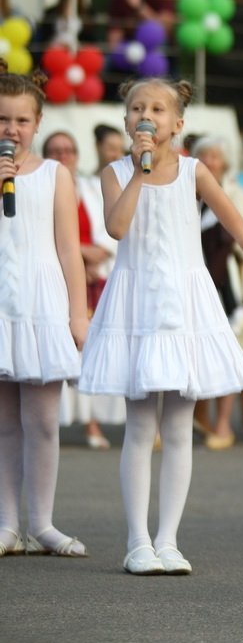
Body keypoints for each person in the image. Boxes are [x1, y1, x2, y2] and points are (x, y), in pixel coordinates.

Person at [79, 77, 243, 575]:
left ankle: (168, 539)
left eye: (156, 109)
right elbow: (117, 227)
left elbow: (239, 228)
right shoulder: (114, 172)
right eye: (136, 108)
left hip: (185, 301)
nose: (145, 116)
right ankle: (137, 541)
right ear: (127, 118)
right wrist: (138, 168)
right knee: (140, 424)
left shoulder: (195, 172)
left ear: (178, 123)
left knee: (178, 426)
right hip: (136, 302)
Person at [0, 63, 89, 558]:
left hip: (42, 299)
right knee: (4, 422)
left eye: (21, 121)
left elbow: (69, 250)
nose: (11, 130)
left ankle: (44, 522)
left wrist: (77, 314)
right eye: (2, 120)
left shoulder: (56, 174)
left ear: (37, 123)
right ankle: (7, 522)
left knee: (43, 419)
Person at [42, 131, 126, 450]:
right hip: (58, 279)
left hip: (97, 278)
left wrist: (94, 255)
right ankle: (54, 420)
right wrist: (79, 254)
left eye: (68, 150)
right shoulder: (40, 187)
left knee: (93, 351)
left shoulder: (92, 187)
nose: (63, 156)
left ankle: (93, 422)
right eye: (55, 151)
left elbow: (112, 228)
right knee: (63, 350)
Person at [191, 135, 243, 450]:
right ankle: (200, 418)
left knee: (227, 353)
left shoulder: (237, 194)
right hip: (192, 286)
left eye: (215, 156)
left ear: (225, 162)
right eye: (204, 156)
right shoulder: (186, 192)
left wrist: (229, 249)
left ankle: (224, 423)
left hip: (230, 286)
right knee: (194, 356)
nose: (210, 162)